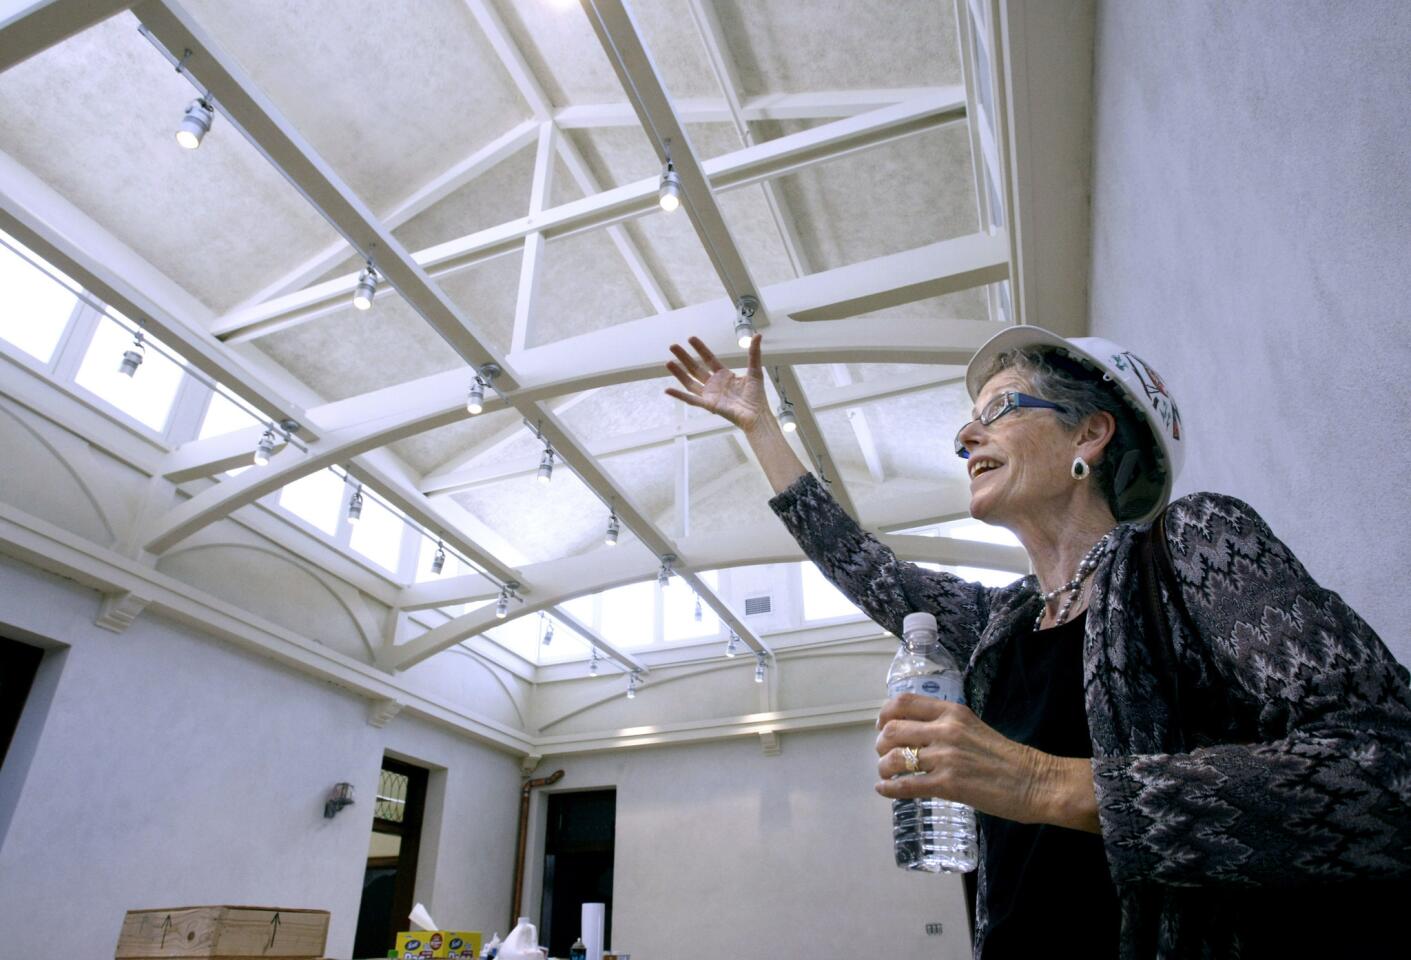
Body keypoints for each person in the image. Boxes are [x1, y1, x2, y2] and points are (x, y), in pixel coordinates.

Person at [664, 325, 1411, 959]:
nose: (964, 436)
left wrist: (1037, 784)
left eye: (999, 409)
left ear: (1089, 432)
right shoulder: (1002, 624)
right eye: (968, 421)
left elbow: (1383, 767)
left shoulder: (1190, 546)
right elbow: (863, 565)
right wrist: (759, 426)